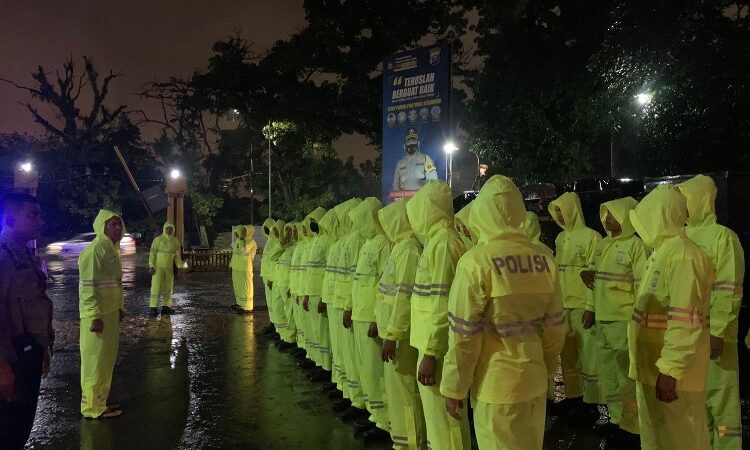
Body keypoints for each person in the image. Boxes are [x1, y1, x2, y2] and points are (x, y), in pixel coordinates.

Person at [441, 175, 566, 450]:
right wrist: (543, 367)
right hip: (533, 382)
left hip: (496, 387)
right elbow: (556, 328)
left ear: (482, 212)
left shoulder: (475, 263)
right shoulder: (544, 259)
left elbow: (464, 336)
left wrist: (454, 387)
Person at [628, 184, 713, 449]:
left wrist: (671, 370)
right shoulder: (661, 255)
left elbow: (685, 320)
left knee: (684, 440)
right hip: (653, 369)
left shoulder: (685, 256)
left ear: (660, 215)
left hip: (675, 376)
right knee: (659, 441)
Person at [678, 175, 745, 449]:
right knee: (695, 399)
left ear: (699, 200)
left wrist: (718, 332)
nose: (681, 205)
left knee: (721, 401)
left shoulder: (724, 238)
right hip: (687, 337)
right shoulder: (679, 237)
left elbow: (729, 290)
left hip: (715, 338)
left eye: (685, 198)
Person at [406, 180, 470, 450]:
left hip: (439, 350)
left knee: (447, 422)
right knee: (438, 421)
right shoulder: (437, 242)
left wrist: (431, 354)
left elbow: (443, 304)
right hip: (432, 345)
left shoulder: (443, 243)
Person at [580, 198, 646, 443]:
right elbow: (592, 281)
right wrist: (590, 307)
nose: (607, 219)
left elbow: (641, 287)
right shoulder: (602, 245)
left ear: (626, 216)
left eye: (613, 214)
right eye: (605, 214)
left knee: (626, 376)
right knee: (609, 375)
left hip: (624, 320)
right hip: (603, 320)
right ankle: (617, 420)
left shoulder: (635, 246)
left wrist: (640, 322)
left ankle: (632, 427)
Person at [0, 193, 54, 449]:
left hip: (29, 355)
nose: (40, 221)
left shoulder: (25, 254)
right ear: (10, 218)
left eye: (39, 215)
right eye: (32, 215)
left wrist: (43, 348)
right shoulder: (3, 257)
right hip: (10, 362)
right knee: (8, 432)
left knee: (21, 429)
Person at [548, 192, 603, 415]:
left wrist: (591, 307)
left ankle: (592, 402)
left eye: (562, 211)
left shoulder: (592, 237)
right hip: (564, 305)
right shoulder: (560, 239)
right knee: (568, 355)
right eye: (556, 212)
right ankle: (574, 396)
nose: (560, 217)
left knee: (589, 356)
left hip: (582, 305)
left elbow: (594, 277)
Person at [378, 199, 427, 449]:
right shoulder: (400, 248)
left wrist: (393, 335)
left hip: (401, 336)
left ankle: (410, 443)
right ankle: (403, 441)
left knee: (406, 393)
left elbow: (404, 296)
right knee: (398, 393)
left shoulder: (408, 249)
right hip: (393, 333)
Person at [349, 197, 392, 440]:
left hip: (370, 316)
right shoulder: (368, 243)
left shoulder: (383, 244)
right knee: (366, 368)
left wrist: (377, 317)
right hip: (360, 312)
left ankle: (384, 422)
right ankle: (373, 414)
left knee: (376, 372)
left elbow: (384, 286)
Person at [78, 209, 125, 419]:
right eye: (112, 224)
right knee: (94, 360)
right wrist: (94, 315)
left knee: (106, 359)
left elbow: (115, 284)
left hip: (110, 313)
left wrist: (120, 308)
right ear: (102, 226)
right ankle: (91, 407)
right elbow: (88, 287)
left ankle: (100, 401)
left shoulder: (112, 250)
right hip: (97, 316)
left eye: (119, 224)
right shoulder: (95, 250)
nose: (117, 228)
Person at [326, 198, 361, 403]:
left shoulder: (354, 241)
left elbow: (353, 279)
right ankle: (346, 390)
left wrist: (348, 304)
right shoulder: (345, 241)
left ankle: (355, 398)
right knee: (343, 351)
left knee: (351, 354)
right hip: (338, 301)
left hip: (348, 304)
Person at [148, 222, 183, 317]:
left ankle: (166, 307)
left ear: (173, 230)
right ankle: (153, 307)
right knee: (156, 287)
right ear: (164, 229)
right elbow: (152, 253)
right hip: (158, 268)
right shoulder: (157, 240)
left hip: (169, 269)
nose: (169, 230)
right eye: (167, 228)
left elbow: (177, 256)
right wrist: (151, 266)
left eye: (171, 228)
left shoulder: (175, 241)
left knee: (168, 288)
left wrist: (179, 267)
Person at [390, 127, 438, 194]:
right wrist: (398, 198)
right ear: (404, 146)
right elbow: (396, 185)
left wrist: (424, 178)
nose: (411, 143)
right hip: (405, 201)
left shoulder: (425, 158)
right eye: (409, 141)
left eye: (414, 141)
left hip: (421, 200)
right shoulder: (400, 163)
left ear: (418, 143)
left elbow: (434, 180)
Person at [232, 225, 257, 314]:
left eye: (245, 231)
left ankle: (247, 306)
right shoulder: (239, 241)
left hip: (245, 268)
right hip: (237, 267)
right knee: (238, 286)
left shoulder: (251, 242)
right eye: (242, 231)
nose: (242, 233)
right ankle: (240, 303)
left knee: (246, 287)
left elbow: (244, 251)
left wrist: (241, 240)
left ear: (249, 232)